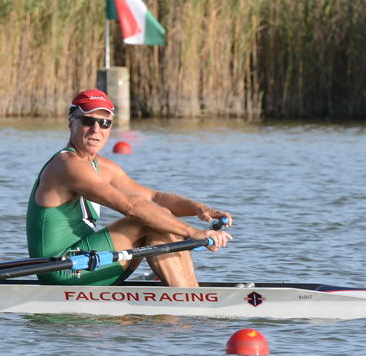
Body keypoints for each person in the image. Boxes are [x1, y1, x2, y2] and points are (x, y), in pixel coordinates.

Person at [26, 89, 232, 287]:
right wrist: (192, 233)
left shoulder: (103, 166)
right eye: (88, 121)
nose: (96, 129)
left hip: (88, 261)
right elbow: (130, 206)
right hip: (62, 269)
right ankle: (190, 301)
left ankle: (187, 292)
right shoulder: (67, 164)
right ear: (71, 122)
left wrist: (199, 208)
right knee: (149, 220)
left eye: (104, 123)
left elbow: (153, 197)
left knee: (159, 215)